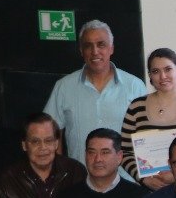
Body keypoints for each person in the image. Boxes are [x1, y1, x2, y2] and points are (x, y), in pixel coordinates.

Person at [42, 20, 147, 170]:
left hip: (126, 177)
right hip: (79, 178)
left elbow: (146, 133)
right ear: (81, 51)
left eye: (101, 44)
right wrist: (59, 170)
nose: (95, 51)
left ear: (111, 48)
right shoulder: (64, 87)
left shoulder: (135, 86)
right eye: (88, 46)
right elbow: (50, 131)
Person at [120, 48, 176, 189]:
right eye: (156, 71)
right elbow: (125, 152)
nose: (162, 76)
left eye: (168, 69)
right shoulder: (136, 107)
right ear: (150, 76)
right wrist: (144, 179)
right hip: (149, 192)